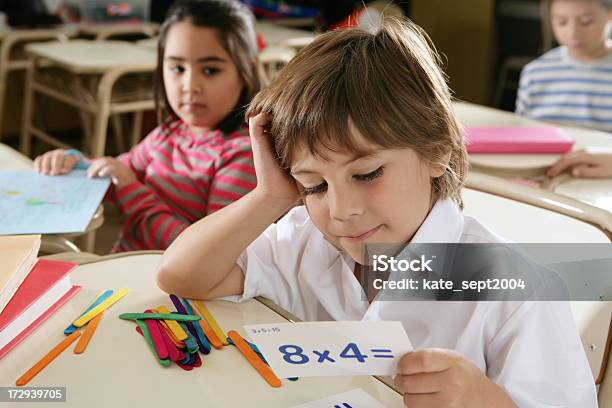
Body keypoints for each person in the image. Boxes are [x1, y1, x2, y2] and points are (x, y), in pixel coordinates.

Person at [157, 18, 597, 407]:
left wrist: (485, 401)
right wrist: (269, 197)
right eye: (314, 184)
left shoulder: (521, 295)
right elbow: (182, 276)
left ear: (437, 150)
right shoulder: (303, 239)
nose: (341, 210)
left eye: (367, 173)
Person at [34, 0, 264, 252]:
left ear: (247, 73)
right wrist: (75, 164)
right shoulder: (171, 132)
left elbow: (204, 253)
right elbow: (116, 174)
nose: (189, 85)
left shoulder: (244, 156)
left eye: (210, 70)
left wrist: (131, 190)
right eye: (177, 68)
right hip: (129, 271)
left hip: (176, 289)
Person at [516, 0, 612, 133]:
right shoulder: (535, 72)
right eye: (562, 22)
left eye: (586, 21)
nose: (573, 33)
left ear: (610, 15)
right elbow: (522, 131)